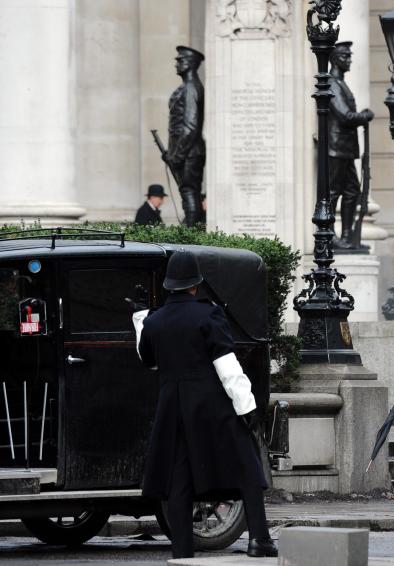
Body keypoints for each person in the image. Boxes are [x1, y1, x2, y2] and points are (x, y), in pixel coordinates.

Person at [133, 250, 275, 559]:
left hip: (172, 407)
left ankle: (182, 550)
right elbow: (226, 365)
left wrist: (141, 317)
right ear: (195, 284)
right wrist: (247, 406)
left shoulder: (155, 321)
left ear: (170, 285)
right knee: (247, 467)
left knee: (179, 480)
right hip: (210, 403)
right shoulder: (208, 313)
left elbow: (148, 360)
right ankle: (259, 539)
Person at [328, 41, 375, 248]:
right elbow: (345, 115)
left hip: (346, 149)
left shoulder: (341, 83)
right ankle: (328, 235)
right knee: (333, 192)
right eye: (345, 56)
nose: (349, 60)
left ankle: (348, 236)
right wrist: (364, 116)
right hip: (336, 148)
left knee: (352, 192)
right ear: (336, 58)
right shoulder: (331, 83)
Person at [166, 46, 206, 228]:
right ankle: (191, 228)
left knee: (189, 192)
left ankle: (192, 232)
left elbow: (190, 126)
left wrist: (177, 155)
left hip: (189, 152)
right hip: (186, 151)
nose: (176, 64)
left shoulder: (191, 88)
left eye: (180, 60)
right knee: (188, 192)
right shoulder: (187, 87)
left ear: (189, 64)